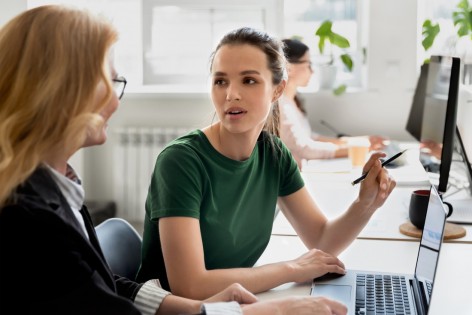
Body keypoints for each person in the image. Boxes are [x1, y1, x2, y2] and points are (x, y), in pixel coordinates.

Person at [0, 6, 347, 315]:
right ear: (58, 89)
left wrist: (197, 308)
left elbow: (103, 289)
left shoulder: (59, 189)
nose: (116, 100)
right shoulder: (27, 221)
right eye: (108, 80)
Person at [136, 27, 396, 300]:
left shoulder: (273, 153)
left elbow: (321, 240)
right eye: (220, 81)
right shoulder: (181, 161)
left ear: (277, 90)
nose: (231, 94)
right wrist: (291, 268)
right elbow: (190, 286)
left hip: (235, 304)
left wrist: (366, 204)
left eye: (249, 80)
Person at [280, 38, 385, 167]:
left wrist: (357, 141)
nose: (312, 71)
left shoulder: (291, 101)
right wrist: (359, 148)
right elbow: (305, 149)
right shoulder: (281, 106)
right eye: (308, 64)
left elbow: (309, 137)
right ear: (289, 67)